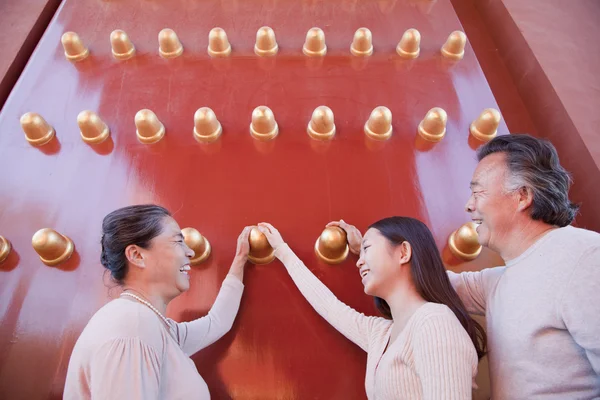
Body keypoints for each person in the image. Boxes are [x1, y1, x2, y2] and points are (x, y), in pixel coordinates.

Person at [339, 134, 600, 399]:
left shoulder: (584, 257)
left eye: (478, 192)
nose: (469, 205)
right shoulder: (500, 281)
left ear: (522, 196)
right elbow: (416, 278)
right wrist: (371, 253)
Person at [256, 218, 486, 399]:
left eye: (367, 248)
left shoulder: (435, 322)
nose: (359, 261)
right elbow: (329, 306)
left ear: (403, 252)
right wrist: (283, 252)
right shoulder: (382, 333)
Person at [64, 204, 252, 399]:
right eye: (178, 242)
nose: (191, 253)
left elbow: (216, 324)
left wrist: (240, 260)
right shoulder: (132, 325)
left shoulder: (154, 327)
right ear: (137, 256)